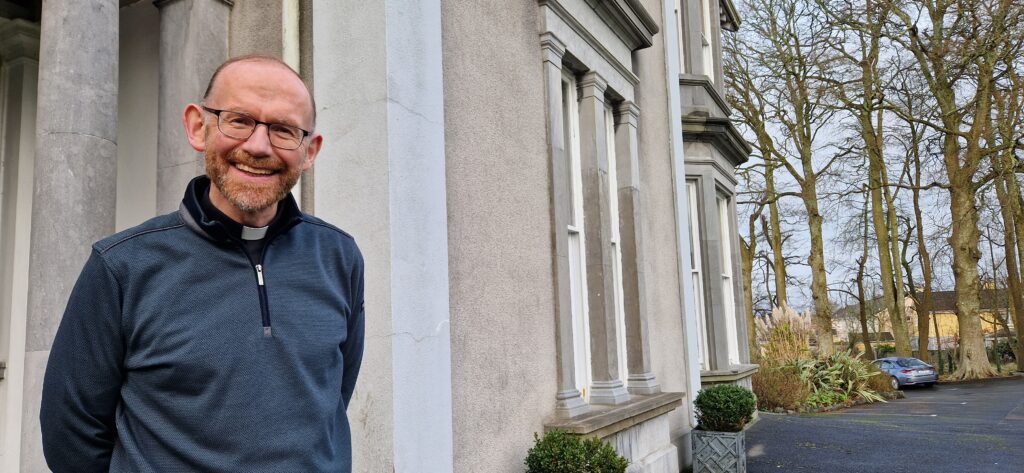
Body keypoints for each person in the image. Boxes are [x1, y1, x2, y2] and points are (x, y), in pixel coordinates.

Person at [39, 55, 365, 472]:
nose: (258, 146)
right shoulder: (122, 267)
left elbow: (332, 399)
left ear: (309, 151)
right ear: (198, 126)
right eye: (239, 120)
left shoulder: (339, 257)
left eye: (284, 130)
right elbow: (72, 436)